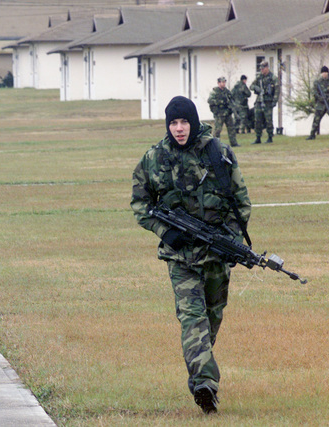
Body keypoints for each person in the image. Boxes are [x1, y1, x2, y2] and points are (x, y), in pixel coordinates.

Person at [131, 96, 251, 414]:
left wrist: (232, 243)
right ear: (168, 125)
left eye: (184, 122)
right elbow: (140, 203)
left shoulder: (219, 153)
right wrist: (165, 232)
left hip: (215, 254)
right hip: (180, 256)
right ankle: (205, 385)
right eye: (173, 123)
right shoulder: (154, 158)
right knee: (192, 318)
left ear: (194, 122)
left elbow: (240, 203)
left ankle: (199, 372)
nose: (179, 128)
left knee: (211, 319)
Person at [250, 61, 280, 144]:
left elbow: (277, 90)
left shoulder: (273, 78)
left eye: (263, 69)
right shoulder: (259, 77)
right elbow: (251, 86)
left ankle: (270, 136)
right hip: (259, 101)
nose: (262, 70)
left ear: (267, 68)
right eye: (261, 69)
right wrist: (256, 88)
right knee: (258, 120)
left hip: (268, 101)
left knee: (268, 120)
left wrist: (274, 101)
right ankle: (258, 137)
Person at [306, 65, 329, 140]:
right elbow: (314, 92)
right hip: (321, 103)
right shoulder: (317, 81)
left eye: (326, 73)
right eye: (323, 73)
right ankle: (312, 134)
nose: (324, 74)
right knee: (316, 119)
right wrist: (320, 98)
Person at [207, 76, 239, 147]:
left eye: (224, 82)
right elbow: (210, 101)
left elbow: (231, 100)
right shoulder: (215, 92)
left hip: (227, 113)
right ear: (218, 83)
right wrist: (220, 102)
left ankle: (234, 143)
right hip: (219, 113)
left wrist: (233, 107)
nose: (224, 83)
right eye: (222, 82)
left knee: (231, 128)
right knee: (218, 130)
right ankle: (215, 144)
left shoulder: (227, 92)